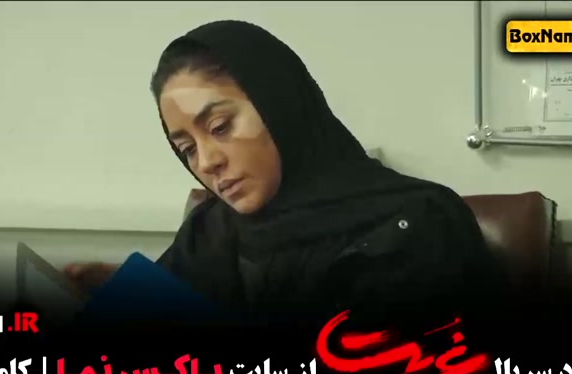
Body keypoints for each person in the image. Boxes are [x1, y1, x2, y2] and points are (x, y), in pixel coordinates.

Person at [65, 20, 506, 334]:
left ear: (281, 105)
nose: (207, 162)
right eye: (187, 148)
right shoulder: (210, 230)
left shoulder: (420, 226)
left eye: (220, 127)